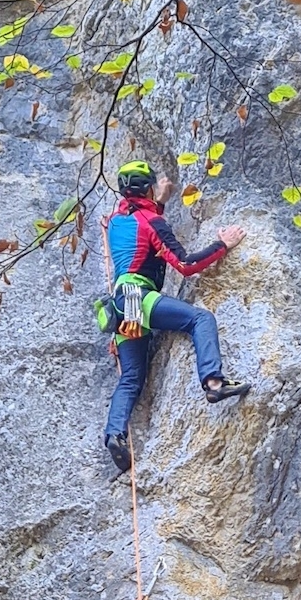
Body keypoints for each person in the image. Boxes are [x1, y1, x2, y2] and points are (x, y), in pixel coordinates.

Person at [103, 158, 249, 475]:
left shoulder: (115, 221)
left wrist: (160, 201)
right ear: (147, 187)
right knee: (201, 319)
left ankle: (114, 435)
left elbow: (138, 221)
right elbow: (184, 264)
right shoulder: (152, 223)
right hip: (140, 298)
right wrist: (221, 245)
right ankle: (213, 382)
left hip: (121, 306)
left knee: (130, 379)